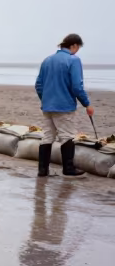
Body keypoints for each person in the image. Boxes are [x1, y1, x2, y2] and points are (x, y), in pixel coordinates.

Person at [34, 33, 92, 178]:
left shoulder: (47, 60)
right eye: (78, 47)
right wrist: (87, 104)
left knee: (47, 137)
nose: (77, 50)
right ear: (74, 46)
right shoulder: (73, 60)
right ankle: (68, 169)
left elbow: (38, 85)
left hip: (47, 107)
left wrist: (46, 99)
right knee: (67, 136)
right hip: (64, 106)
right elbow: (77, 86)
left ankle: (43, 170)